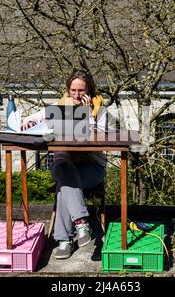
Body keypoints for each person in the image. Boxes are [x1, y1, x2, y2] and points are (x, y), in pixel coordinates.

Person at [21, 69, 107, 259]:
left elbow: (97, 138)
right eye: (73, 90)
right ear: (68, 90)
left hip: (92, 167)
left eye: (81, 91)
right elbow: (31, 118)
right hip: (66, 166)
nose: (76, 95)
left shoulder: (100, 110)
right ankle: (81, 223)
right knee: (63, 168)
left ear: (89, 91)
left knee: (64, 186)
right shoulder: (59, 107)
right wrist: (28, 123)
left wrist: (87, 115)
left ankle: (64, 240)